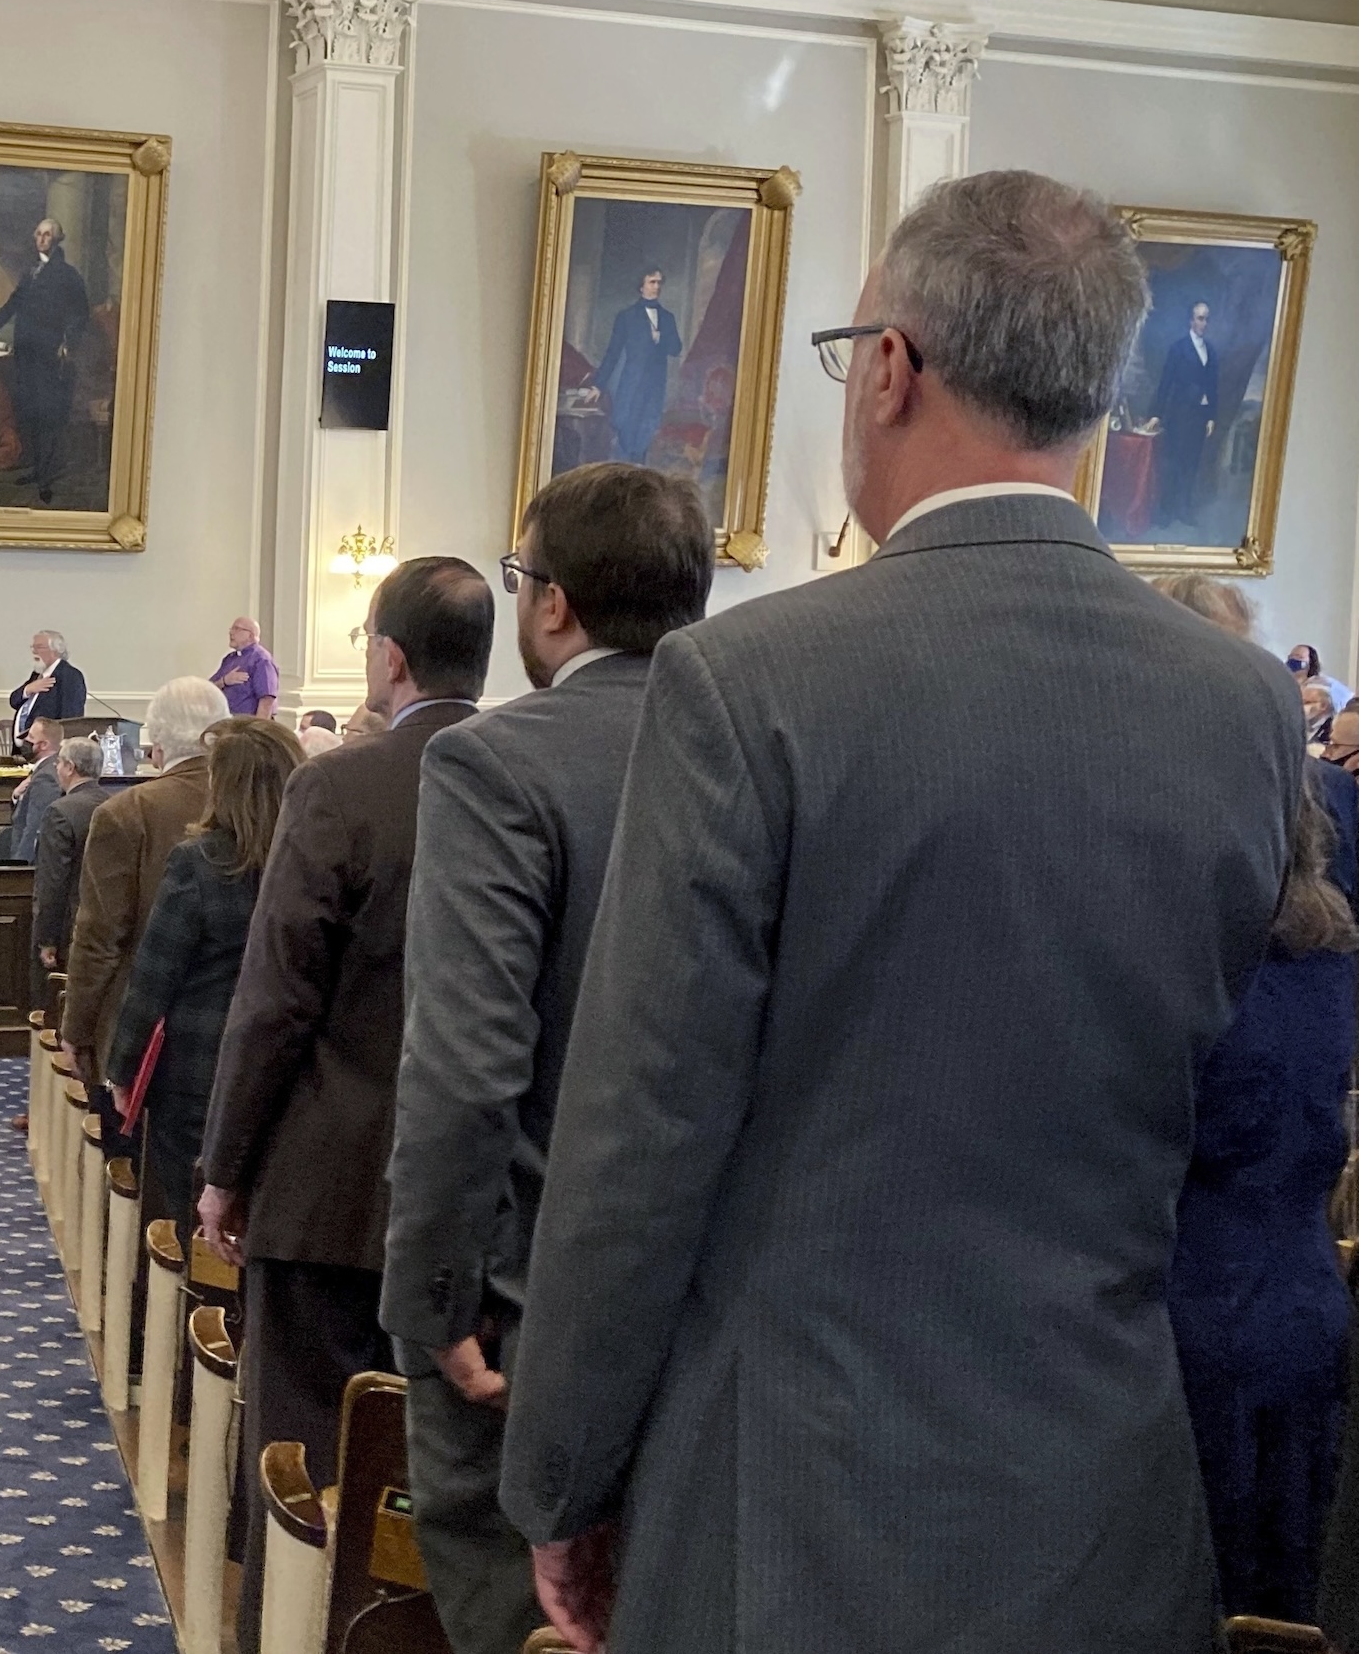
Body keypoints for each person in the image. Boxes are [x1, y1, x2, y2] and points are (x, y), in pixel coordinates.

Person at [506, 170, 1304, 1654]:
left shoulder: (748, 683)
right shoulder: (1245, 706)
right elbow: (1236, 1109)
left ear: (889, 367)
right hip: (1105, 1498)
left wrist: (562, 1471)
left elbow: (641, 1130)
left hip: (791, 1501)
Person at [380, 465, 713, 1654]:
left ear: (554, 603)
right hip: (719, 1307)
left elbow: (467, 1065)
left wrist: (432, 1300)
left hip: (525, 1310)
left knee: (515, 1612)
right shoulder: (771, 745)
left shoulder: (496, 762)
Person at [194, 558, 491, 1649]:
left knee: (309, 1451)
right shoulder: (535, 771)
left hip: (329, 1183)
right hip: (488, 1199)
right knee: (442, 1464)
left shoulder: (344, 785)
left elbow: (276, 1000)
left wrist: (225, 1166)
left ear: (389, 654)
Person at [1164, 592, 1358, 1623]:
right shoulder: (1322, 945)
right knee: (1276, 1595)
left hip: (1185, 1320)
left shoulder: (1185, 954)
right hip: (1299, 1303)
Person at [106, 718, 301, 1230]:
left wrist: (123, 1070)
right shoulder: (310, 859)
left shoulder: (200, 862)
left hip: (198, 1069)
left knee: (191, 1215)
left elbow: (154, 978)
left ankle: (194, 1306)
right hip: (288, 1068)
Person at [60, 678, 232, 1130]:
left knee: (129, 1176)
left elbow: (99, 938)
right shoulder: (256, 803)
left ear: (156, 742)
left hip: (139, 1032)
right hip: (238, 1028)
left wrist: (75, 1030)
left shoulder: (126, 813)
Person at [0, 217, 90, 505]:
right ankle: (37, 469)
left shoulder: (68, 275)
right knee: (29, 413)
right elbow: (13, 303)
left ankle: (46, 478)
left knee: (49, 416)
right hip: (25, 353)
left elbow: (81, 314)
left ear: (57, 239)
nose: (41, 239)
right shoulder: (30, 273)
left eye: (47, 235)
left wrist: (68, 342)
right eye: (38, 233)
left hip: (50, 356)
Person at [31, 736, 110, 991]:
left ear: (70, 767)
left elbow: (53, 882)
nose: (56, 768)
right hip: (110, 924)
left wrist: (47, 939)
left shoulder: (60, 812)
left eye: (59, 762)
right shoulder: (117, 805)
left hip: (71, 928)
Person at [589, 267, 681, 465]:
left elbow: (676, 349)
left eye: (659, 282)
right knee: (625, 435)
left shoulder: (667, 318)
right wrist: (599, 385)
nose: (656, 286)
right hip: (631, 387)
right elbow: (613, 352)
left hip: (654, 388)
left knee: (646, 436)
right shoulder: (627, 317)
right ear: (641, 287)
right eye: (652, 282)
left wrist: (661, 338)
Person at [1147, 299, 1220, 528]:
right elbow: (1166, 383)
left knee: (1191, 465)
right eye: (1200, 318)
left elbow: (1212, 386)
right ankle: (1166, 512)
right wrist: (1157, 414)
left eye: (1207, 318)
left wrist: (1211, 416)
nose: (1204, 323)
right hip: (1179, 416)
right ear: (1191, 320)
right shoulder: (1178, 349)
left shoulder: (1211, 351)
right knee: (1173, 464)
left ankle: (1184, 510)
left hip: (1199, 418)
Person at [0, 717, 66, 861]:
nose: (25, 741)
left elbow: (34, 827)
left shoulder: (46, 777)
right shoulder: (44, 768)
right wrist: (16, 796)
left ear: (43, 745)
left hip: (29, 861)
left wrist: (21, 864)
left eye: (31, 737)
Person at [10, 630, 87, 747]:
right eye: (32, 648)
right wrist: (28, 689)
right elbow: (14, 701)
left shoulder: (70, 676)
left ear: (56, 650)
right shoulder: (38, 674)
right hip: (25, 750)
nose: (34, 652)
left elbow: (71, 720)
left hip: (47, 750)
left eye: (39, 647)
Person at [211, 616, 280, 717]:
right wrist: (224, 681)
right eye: (231, 629)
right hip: (226, 721)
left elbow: (267, 699)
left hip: (247, 723)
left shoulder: (261, 659)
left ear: (251, 636)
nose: (231, 633)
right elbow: (209, 688)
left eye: (237, 629)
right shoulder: (229, 659)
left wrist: (257, 729)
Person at [1291, 643, 1354, 711]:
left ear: (1310, 662)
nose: (1292, 660)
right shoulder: (1285, 684)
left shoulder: (1325, 683)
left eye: (1299, 657)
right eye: (1290, 657)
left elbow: (1349, 698)